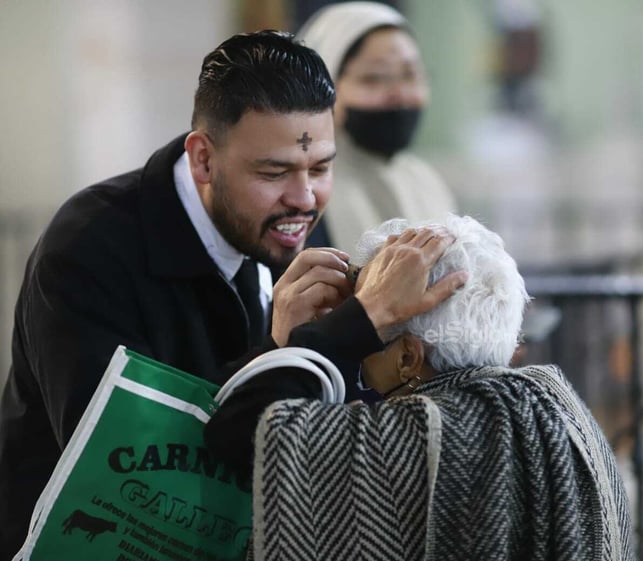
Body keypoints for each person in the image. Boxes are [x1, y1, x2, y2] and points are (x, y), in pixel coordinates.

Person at [0, 30, 466, 560]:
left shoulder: (285, 224)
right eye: (273, 172)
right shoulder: (90, 248)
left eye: (321, 167)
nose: (305, 199)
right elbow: (132, 469)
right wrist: (314, 341)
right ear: (203, 159)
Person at [206, 215, 635, 561]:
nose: (362, 343)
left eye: (374, 327)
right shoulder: (559, 406)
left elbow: (241, 430)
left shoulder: (404, 442)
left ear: (408, 358)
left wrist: (314, 334)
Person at [298, 1, 457, 254]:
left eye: (410, 75)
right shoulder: (301, 192)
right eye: (374, 77)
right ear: (322, 86)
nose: (399, 94)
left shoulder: (425, 182)